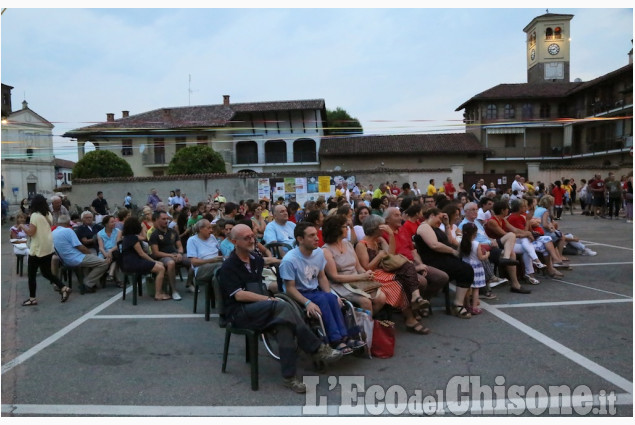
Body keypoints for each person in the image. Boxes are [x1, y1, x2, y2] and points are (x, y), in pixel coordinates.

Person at [219, 223, 343, 393]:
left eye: (252, 236)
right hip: (239, 312)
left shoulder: (255, 258)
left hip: (260, 308)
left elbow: (267, 261)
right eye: (246, 238)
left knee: (285, 324)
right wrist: (268, 299)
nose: (252, 240)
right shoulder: (229, 266)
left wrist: (282, 261)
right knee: (281, 305)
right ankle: (317, 348)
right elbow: (239, 295)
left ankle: (289, 377)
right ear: (234, 242)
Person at [280, 222, 366, 354]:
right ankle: (336, 340)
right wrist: (307, 303)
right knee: (324, 300)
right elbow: (290, 288)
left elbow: (321, 277)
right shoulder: (289, 260)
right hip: (299, 293)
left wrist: (332, 294)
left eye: (316, 234)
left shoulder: (319, 253)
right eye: (311, 235)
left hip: (315, 291)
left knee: (332, 299)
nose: (317, 238)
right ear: (300, 239)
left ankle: (345, 337)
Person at [321, 214, 387, 316]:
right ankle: (367, 327)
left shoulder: (347, 244)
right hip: (341, 284)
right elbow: (334, 277)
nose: (347, 229)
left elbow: (358, 267)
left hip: (357, 279)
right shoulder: (326, 250)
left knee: (381, 298)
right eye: (345, 227)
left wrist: (366, 273)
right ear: (336, 229)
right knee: (366, 302)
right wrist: (361, 276)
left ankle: (368, 322)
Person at [18, 195, 71, 306]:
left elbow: (31, 232)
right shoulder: (48, 214)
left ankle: (32, 298)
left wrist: (22, 226)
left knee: (32, 274)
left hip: (37, 248)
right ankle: (63, 287)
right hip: (48, 247)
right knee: (46, 272)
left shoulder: (35, 216)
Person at [484, 201, 547, 286]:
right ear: (503, 210)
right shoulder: (492, 221)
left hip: (506, 243)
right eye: (507, 209)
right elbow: (504, 234)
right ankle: (534, 265)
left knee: (526, 249)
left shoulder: (502, 219)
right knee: (522, 241)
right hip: (497, 244)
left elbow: (515, 229)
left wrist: (527, 233)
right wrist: (526, 234)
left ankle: (530, 273)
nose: (508, 210)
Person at [53, 214, 109, 295]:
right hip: (77, 258)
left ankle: (88, 282)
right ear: (69, 222)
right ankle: (87, 283)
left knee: (92, 260)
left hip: (65, 260)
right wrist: (90, 254)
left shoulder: (53, 233)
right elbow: (80, 247)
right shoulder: (68, 231)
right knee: (104, 263)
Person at [120, 216, 169, 300]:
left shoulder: (127, 237)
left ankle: (158, 291)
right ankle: (158, 294)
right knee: (161, 268)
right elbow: (142, 254)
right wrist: (154, 261)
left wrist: (142, 229)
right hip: (134, 263)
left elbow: (144, 238)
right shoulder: (133, 238)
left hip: (127, 263)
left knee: (159, 266)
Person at [149, 210, 193, 300]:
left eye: (167, 219)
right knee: (171, 263)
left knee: (193, 260)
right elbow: (156, 252)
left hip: (175, 254)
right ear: (157, 220)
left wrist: (180, 253)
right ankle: (174, 291)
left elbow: (180, 246)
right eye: (163, 219)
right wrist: (171, 256)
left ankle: (189, 283)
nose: (166, 221)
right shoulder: (154, 235)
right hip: (162, 257)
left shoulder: (173, 232)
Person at [186, 219, 224, 292]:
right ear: (201, 229)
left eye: (211, 228)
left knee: (217, 277)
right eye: (209, 228)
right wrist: (211, 260)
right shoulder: (192, 240)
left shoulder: (212, 237)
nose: (211, 230)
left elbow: (219, 250)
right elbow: (193, 262)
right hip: (202, 269)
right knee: (221, 266)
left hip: (216, 265)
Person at [459, 223, 488, 315]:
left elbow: (460, 254)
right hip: (476, 267)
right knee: (476, 289)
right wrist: (487, 255)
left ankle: (467, 305)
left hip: (465, 266)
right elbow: (480, 257)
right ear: (475, 234)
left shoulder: (462, 243)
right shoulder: (476, 244)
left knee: (467, 288)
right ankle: (474, 307)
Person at [97, 215, 123, 287]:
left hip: (115, 250)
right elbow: (101, 247)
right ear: (106, 224)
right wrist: (106, 254)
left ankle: (110, 273)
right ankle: (115, 277)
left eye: (114, 221)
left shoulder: (118, 231)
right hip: (104, 252)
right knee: (111, 258)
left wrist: (110, 251)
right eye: (112, 222)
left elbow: (118, 244)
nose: (114, 223)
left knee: (115, 254)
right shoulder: (100, 233)